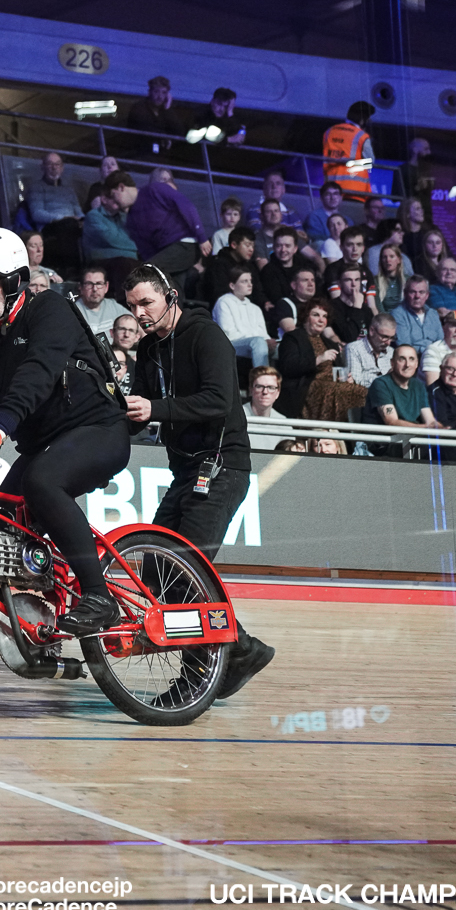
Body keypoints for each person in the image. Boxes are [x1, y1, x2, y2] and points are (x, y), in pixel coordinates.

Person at [0, 229, 130, 706]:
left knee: (41, 481)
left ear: (15, 281)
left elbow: (39, 369)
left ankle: (99, 595)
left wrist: (2, 422)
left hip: (98, 432)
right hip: (45, 444)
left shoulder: (49, 310)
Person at [121, 261, 275, 696]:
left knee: (185, 570)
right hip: (187, 471)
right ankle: (241, 650)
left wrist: (156, 409)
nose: (141, 314)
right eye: (133, 307)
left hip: (223, 465)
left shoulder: (205, 335)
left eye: (146, 302)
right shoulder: (149, 350)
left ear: (170, 296)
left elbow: (218, 399)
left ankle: (195, 678)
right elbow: (141, 414)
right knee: (156, 565)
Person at [321, 101, 375, 196]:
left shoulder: (329, 131)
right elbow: (370, 162)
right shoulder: (362, 136)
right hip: (354, 190)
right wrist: (350, 163)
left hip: (330, 189)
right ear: (362, 120)